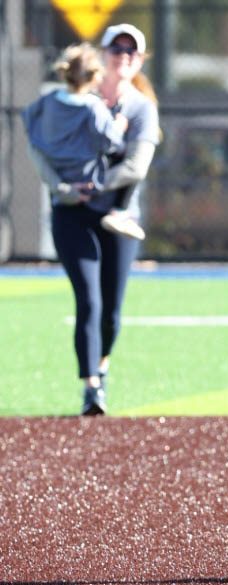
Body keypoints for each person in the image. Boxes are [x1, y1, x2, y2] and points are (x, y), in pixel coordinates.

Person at [24, 24, 160, 415]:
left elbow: (136, 165)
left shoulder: (140, 108)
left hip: (117, 217)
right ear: (101, 55)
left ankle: (103, 368)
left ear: (140, 59)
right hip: (73, 213)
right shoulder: (71, 99)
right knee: (89, 299)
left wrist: (96, 184)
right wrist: (62, 187)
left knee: (111, 311)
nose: (123, 55)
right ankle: (91, 388)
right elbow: (38, 144)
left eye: (131, 50)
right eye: (116, 47)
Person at [22, 43, 144, 241]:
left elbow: (29, 123)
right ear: (95, 76)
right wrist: (118, 126)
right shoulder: (93, 106)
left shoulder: (49, 100)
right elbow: (109, 142)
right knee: (125, 155)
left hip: (60, 173)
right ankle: (120, 211)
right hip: (88, 177)